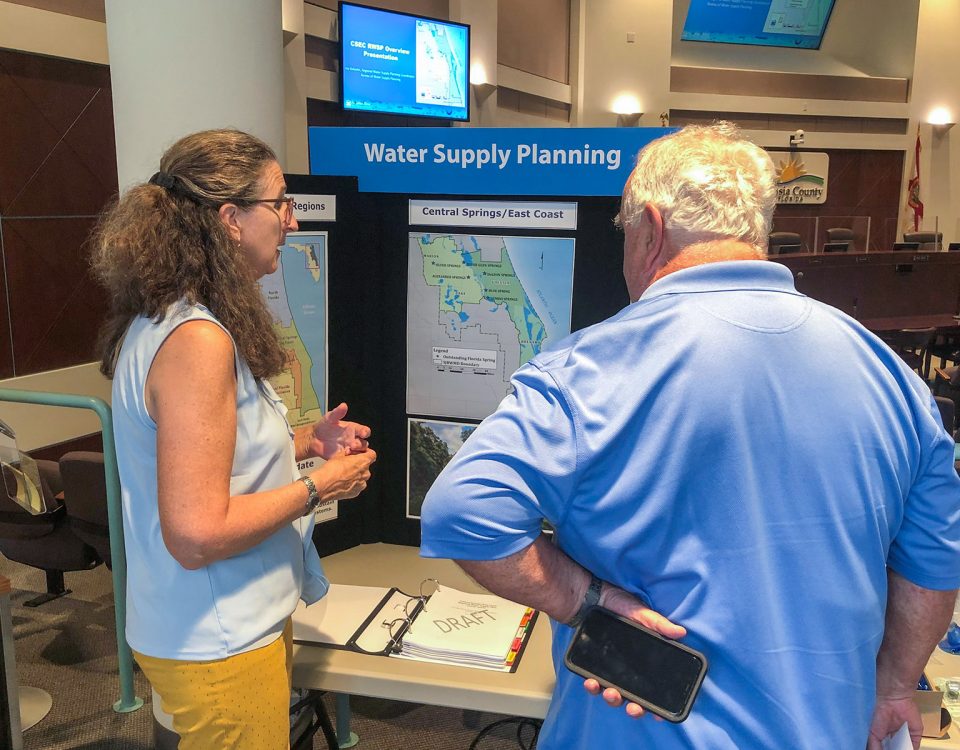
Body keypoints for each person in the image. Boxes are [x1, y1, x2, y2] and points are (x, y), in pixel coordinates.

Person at [420, 123, 960, 750]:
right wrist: (894, 686)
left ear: (649, 226)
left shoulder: (585, 372)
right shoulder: (889, 375)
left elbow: (464, 514)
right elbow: (934, 562)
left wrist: (584, 599)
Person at [91, 129, 377, 749]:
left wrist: (303, 441)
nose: (292, 221)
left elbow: (206, 454)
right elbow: (196, 532)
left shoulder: (173, 319)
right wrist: (318, 485)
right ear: (230, 219)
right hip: (218, 640)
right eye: (280, 203)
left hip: (207, 626)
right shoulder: (197, 341)